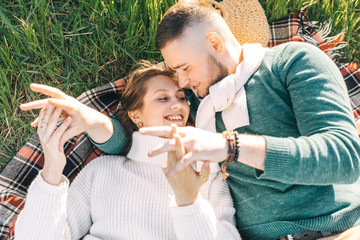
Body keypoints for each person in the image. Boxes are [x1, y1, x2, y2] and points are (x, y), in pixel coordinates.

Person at [57, 1, 360, 240]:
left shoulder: (291, 62)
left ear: (214, 43)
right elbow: (142, 145)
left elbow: (344, 158)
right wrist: (96, 123)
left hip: (337, 228)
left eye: (185, 68)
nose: (183, 83)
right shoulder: (199, 107)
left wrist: (229, 146)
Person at [15, 62, 241, 240]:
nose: (178, 105)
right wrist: (52, 168)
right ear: (136, 116)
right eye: (163, 98)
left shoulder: (208, 171)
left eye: (181, 98)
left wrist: (189, 202)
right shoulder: (101, 170)